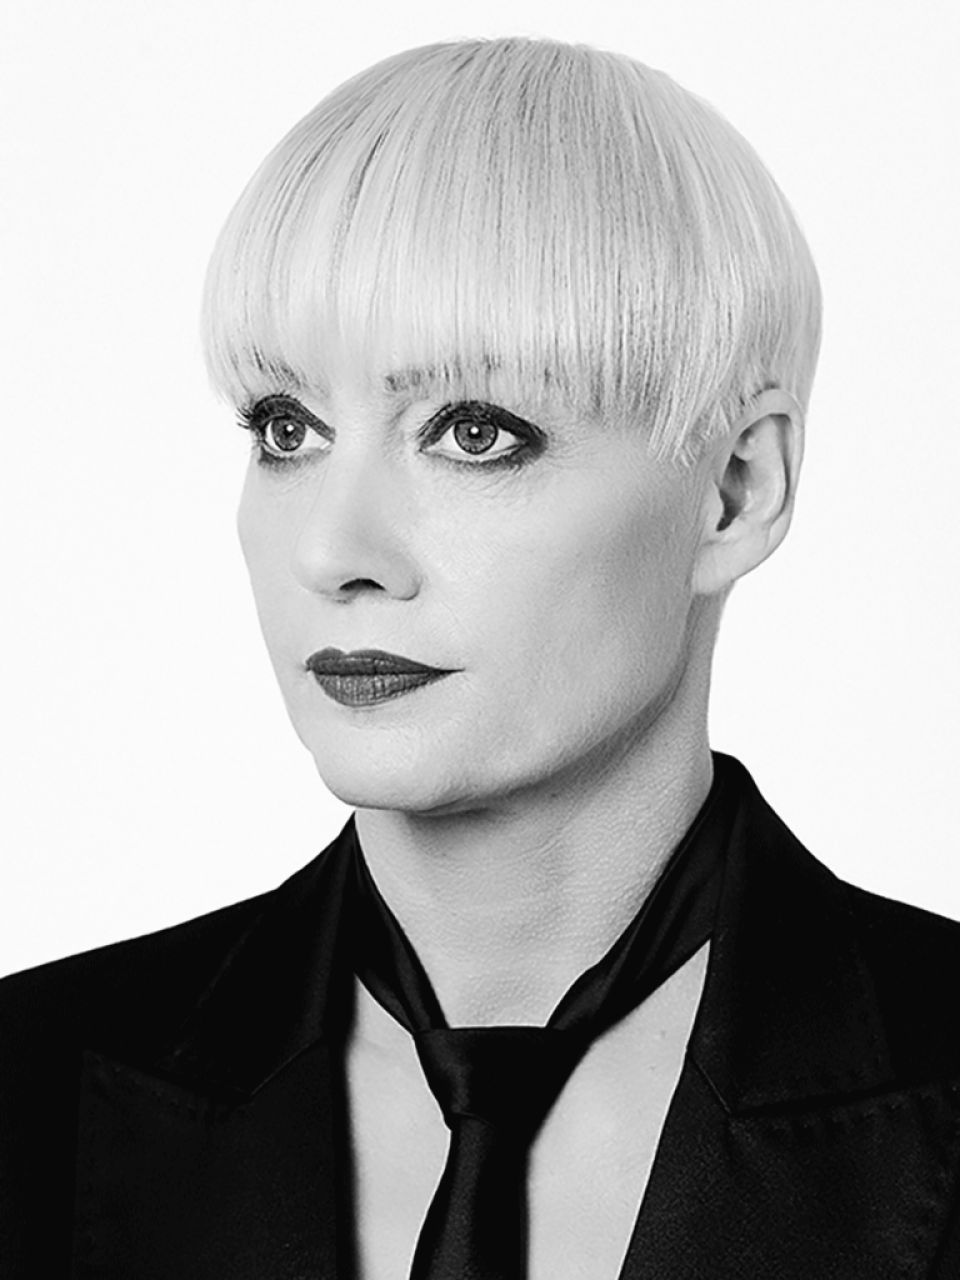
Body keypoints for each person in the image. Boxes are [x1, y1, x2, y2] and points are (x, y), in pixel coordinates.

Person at [1, 33, 958, 1280]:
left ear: (735, 490)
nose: (335, 551)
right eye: (287, 427)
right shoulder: (26, 1091)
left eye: (473, 431)